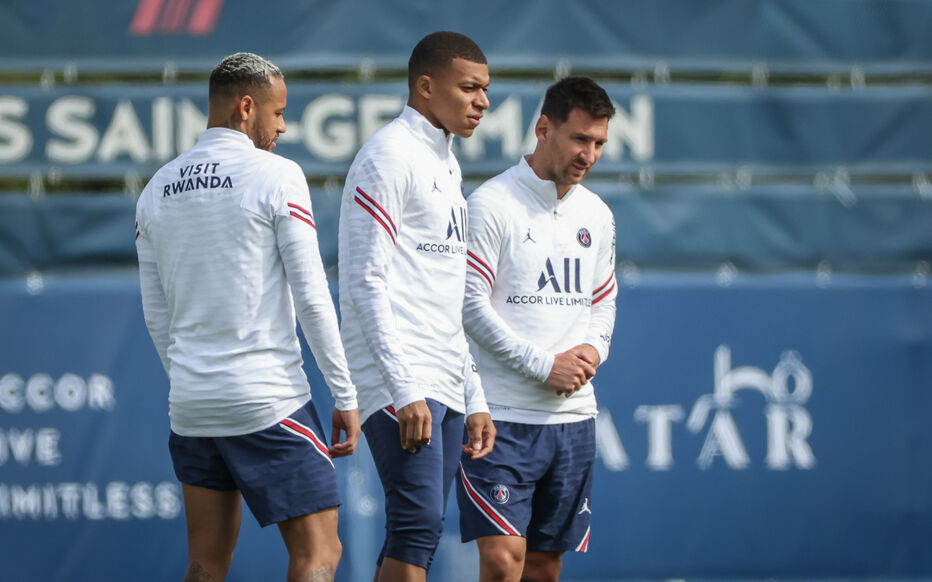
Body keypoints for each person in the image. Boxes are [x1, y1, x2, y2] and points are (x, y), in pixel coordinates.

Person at [135, 52, 360, 582]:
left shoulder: (154, 190)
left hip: (190, 406)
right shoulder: (278, 175)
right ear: (245, 107)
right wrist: (346, 394)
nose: (283, 126)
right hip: (268, 399)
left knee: (204, 564)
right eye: (278, 113)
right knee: (319, 555)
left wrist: (193, 378)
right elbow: (311, 295)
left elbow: (155, 315)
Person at [337, 31, 496, 582]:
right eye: (469, 88)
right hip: (400, 376)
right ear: (425, 87)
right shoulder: (386, 155)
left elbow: (446, 292)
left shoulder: (448, 165)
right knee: (418, 520)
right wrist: (404, 388)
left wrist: (472, 391)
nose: (483, 102)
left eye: (486, 90)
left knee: (421, 529)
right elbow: (363, 279)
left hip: (445, 375)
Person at [457, 76, 618, 582]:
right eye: (579, 139)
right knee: (505, 562)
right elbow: (467, 305)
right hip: (500, 418)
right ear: (543, 128)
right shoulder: (491, 204)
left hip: (573, 421)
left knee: (546, 566)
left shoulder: (598, 213)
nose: (588, 154)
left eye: (598, 144)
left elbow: (604, 302)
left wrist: (591, 352)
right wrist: (545, 365)